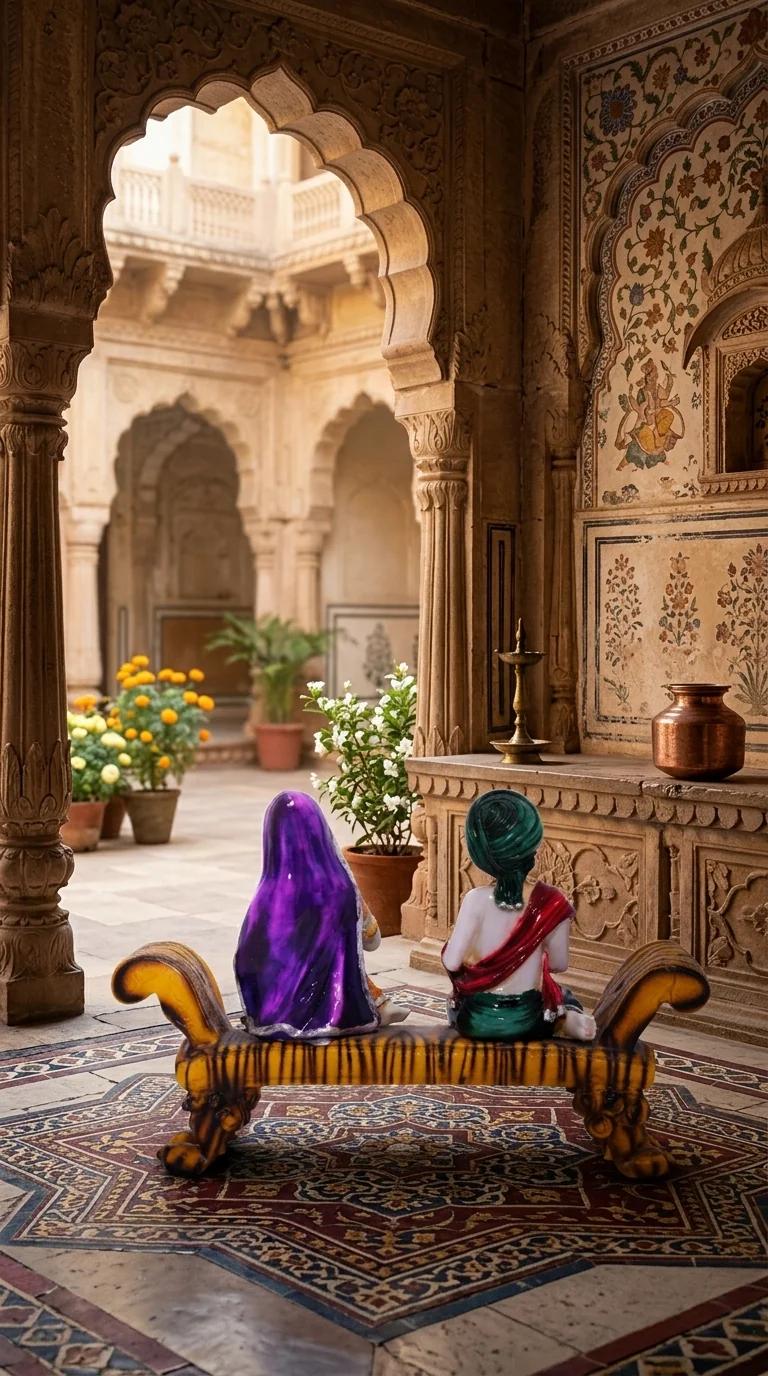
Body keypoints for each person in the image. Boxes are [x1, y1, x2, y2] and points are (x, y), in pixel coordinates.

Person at [235, 789, 407, 1038]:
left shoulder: (266, 894)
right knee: (342, 963)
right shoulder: (340, 889)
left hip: (269, 1012)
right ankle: (376, 1005)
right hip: (335, 1010)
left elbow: (246, 959)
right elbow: (373, 941)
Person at [442, 790, 596, 1042]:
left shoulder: (475, 900)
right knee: (564, 998)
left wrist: (479, 963)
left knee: (453, 1007)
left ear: (480, 853)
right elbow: (559, 964)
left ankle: (565, 1020)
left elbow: (451, 962)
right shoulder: (552, 902)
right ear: (532, 847)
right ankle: (566, 1019)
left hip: (477, 1020)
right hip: (527, 1020)